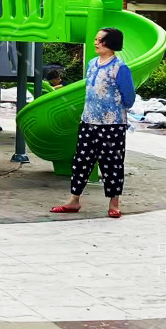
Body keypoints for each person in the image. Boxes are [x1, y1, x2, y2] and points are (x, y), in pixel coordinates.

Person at [51, 28, 136, 219]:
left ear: (111, 43)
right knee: (81, 161)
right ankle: (74, 201)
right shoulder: (91, 63)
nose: (96, 42)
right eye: (96, 39)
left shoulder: (120, 68)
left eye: (100, 40)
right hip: (88, 121)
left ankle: (114, 203)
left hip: (112, 125)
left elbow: (129, 98)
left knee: (112, 163)